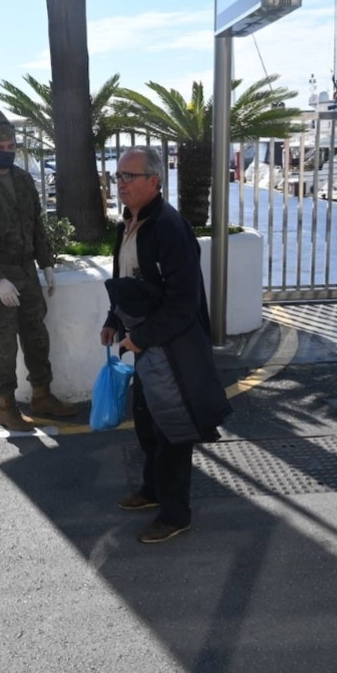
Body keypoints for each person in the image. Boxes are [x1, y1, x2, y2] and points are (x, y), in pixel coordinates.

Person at [100, 146, 232, 544]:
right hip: (146, 345)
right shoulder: (128, 221)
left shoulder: (170, 228)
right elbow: (125, 278)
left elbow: (183, 302)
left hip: (170, 347)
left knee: (172, 429)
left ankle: (176, 515)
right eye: (118, 175)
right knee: (146, 422)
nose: (120, 183)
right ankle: (153, 489)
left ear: (155, 181)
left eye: (129, 176)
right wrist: (113, 319)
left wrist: (139, 337)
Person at [0, 107, 77, 431]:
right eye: (0, 148)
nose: (6, 152)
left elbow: (36, 225)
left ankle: (42, 395)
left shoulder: (23, 180)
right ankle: (6, 406)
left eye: (10, 147)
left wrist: (46, 263)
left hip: (25, 272)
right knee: (4, 342)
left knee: (36, 334)